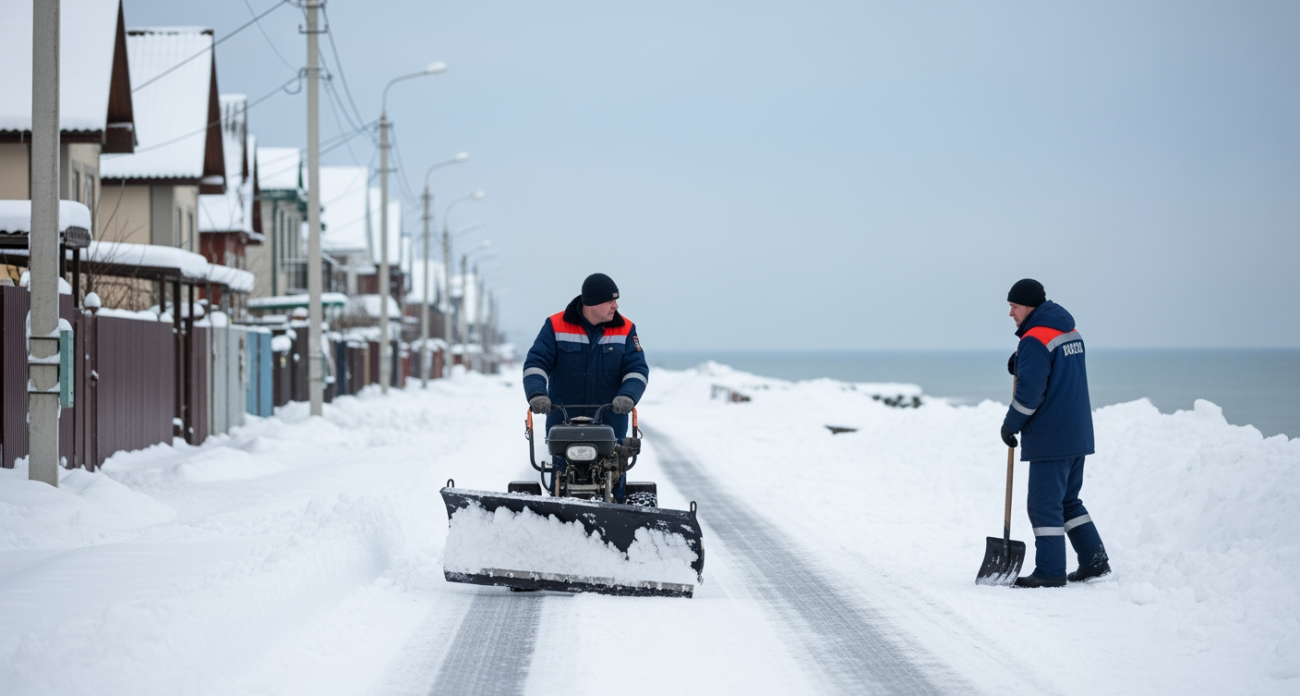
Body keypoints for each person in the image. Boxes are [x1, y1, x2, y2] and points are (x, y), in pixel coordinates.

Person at [1001, 278, 1111, 588]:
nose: (1011, 314)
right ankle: (1094, 560)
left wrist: (1011, 425)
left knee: (1043, 505)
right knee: (1067, 502)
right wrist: (1023, 362)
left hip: (1051, 436)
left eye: (1014, 307)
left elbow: (1029, 394)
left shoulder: (1035, 339)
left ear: (1029, 306)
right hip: (1077, 432)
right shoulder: (1069, 331)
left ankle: (1050, 571)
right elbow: (1059, 372)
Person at [522, 273, 649, 501]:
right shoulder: (555, 326)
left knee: (614, 474)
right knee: (561, 474)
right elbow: (536, 363)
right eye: (611, 301)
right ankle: (558, 513)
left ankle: (619, 515)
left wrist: (628, 396)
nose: (615, 306)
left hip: (610, 418)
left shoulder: (626, 330)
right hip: (563, 418)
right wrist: (537, 394)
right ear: (593, 303)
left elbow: (637, 369)